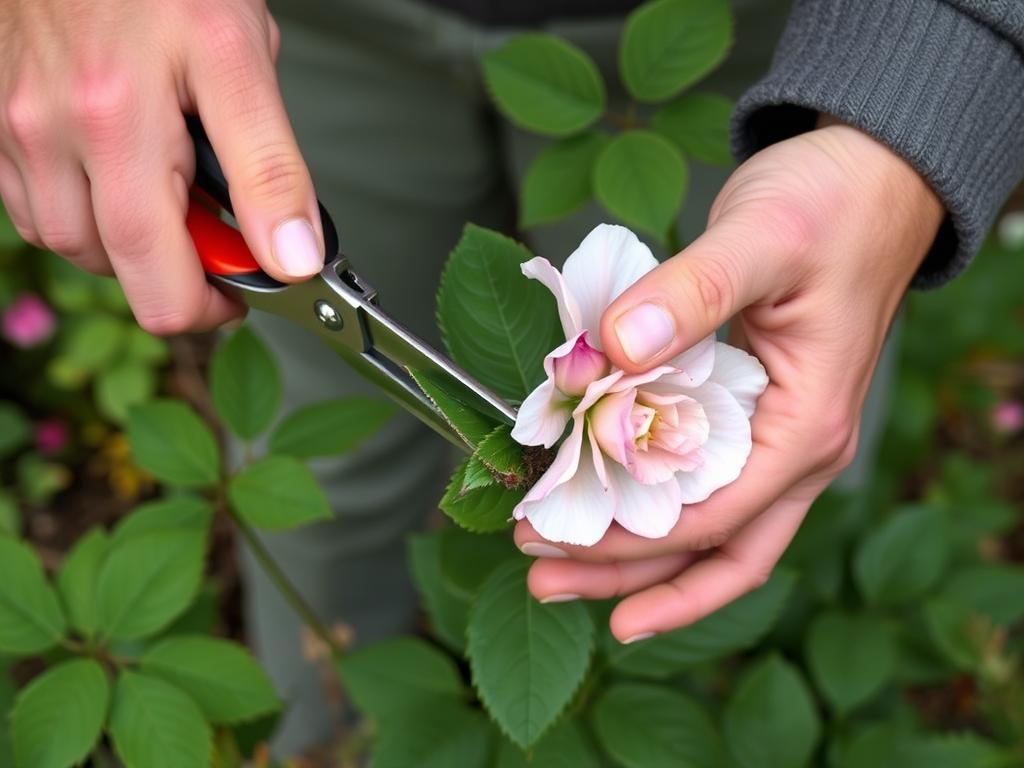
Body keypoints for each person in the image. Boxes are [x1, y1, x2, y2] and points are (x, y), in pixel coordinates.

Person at [2, 0, 1022, 754]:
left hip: (795, 52)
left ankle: (714, 707)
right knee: (329, 464)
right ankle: (326, 738)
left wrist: (934, 75)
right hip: (285, 39)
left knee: (742, 494)